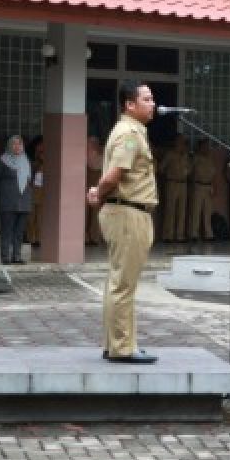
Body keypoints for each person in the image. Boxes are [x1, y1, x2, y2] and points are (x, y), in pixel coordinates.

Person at [86, 80, 159, 364]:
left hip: (128, 211)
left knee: (118, 281)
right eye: (147, 99)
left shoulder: (131, 131)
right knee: (123, 284)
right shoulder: (129, 134)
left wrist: (99, 193)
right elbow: (115, 174)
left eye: (152, 99)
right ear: (130, 104)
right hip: (128, 213)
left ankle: (115, 343)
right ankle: (122, 347)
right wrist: (99, 193)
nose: (153, 104)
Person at [0, 135, 33, 264]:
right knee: (6, 230)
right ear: (9, 146)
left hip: (23, 201)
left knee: (19, 231)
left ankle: (17, 256)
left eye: (19, 144)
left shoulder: (26, 161)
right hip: (7, 201)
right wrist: (6, 191)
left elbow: (29, 181)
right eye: (14, 144)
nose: (17, 147)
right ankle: (5, 257)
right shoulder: (2, 161)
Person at [158, 134, 190, 243]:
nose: (182, 143)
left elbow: (189, 169)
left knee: (182, 211)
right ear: (176, 142)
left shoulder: (185, 156)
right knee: (170, 210)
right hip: (172, 183)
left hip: (183, 184)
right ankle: (168, 235)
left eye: (183, 141)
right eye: (180, 141)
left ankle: (179, 235)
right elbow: (161, 168)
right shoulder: (170, 154)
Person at [188, 139, 216, 242]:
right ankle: (194, 234)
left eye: (207, 146)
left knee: (207, 212)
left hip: (208, 186)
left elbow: (213, 174)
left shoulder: (210, 159)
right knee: (196, 211)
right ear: (200, 147)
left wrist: (213, 187)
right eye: (204, 146)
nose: (206, 148)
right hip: (198, 186)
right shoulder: (195, 158)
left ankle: (209, 234)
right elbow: (190, 171)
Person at [26, 136, 46, 248]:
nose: (42, 147)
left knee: (40, 216)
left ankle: (39, 238)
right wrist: (39, 161)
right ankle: (31, 237)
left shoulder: (47, 158)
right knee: (31, 216)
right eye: (40, 144)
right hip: (31, 189)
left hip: (42, 190)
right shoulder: (30, 159)